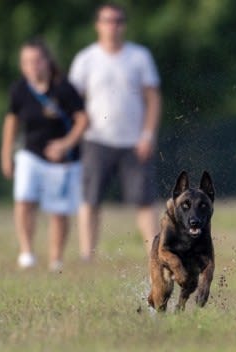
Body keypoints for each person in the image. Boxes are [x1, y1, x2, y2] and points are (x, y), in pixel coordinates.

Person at [68, 2, 162, 261]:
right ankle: (88, 256)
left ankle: (154, 255)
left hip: (134, 141)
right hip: (96, 139)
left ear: (124, 25)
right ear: (98, 25)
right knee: (90, 199)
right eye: (107, 21)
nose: (113, 26)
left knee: (144, 201)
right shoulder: (85, 59)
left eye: (118, 21)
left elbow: (152, 99)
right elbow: (73, 100)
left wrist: (147, 135)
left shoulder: (139, 57)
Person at [0, 38, 88, 271]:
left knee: (59, 211)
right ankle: (27, 252)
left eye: (37, 60)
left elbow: (82, 120)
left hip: (63, 161)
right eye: (27, 62)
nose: (32, 66)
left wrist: (65, 144)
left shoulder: (64, 88)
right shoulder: (19, 90)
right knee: (23, 200)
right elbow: (12, 122)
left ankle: (55, 260)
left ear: (47, 62)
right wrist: (6, 154)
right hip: (30, 154)